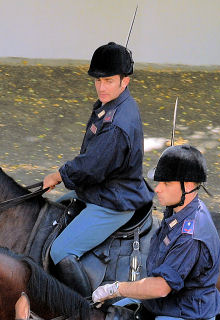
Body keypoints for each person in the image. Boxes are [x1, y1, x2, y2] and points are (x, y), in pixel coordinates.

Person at [91, 144, 220, 320]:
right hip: (168, 299)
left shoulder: (191, 235)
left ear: (189, 186)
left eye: (166, 183)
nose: (157, 189)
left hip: (186, 314)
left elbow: (161, 288)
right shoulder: (177, 208)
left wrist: (116, 288)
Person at [43, 41, 152, 296]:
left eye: (109, 81)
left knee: (60, 251)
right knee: (53, 212)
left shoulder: (117, 124)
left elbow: (91, 166)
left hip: (112, 202)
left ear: (125, 81)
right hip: (99, 190)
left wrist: (59, 175)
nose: (101, 87)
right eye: (98, 80)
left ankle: (82, 310)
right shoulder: (113, 105)